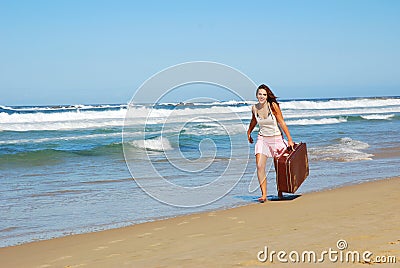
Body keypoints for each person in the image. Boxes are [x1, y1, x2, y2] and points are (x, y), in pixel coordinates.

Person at [247, 84, 294, 203]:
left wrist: (289, 139)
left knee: (279, 167)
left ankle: (280, 191)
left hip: (276, 139)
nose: (261, 96)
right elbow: (254, 121)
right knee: (259, 166)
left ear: (267, 96)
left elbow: (281, 122)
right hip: (262, 139)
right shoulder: (254, 108)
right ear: (256, 95)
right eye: (259, 94)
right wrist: (248, 132)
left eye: (264, 94)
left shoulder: (273, 106)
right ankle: (264, 195)